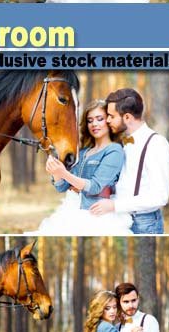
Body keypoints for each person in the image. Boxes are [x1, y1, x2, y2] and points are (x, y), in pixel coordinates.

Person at [38, 99, 132, 236]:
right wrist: (55, 172)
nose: (94, 124)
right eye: (90, 120)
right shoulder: (82, 152)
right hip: (70, 209)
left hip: (95, 213)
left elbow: (95, 186)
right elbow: (61, 187)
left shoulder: (114, 150)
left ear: (108, 121)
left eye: (99, 119)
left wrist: (64, 173)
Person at [94, 90, 169, 235]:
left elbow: (160, 196)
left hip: (143, 224)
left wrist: (115, 205)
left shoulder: (156, 144)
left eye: (111, 116)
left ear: (127, 117)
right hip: (119, 220)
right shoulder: (120, 142)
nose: (108, 120)